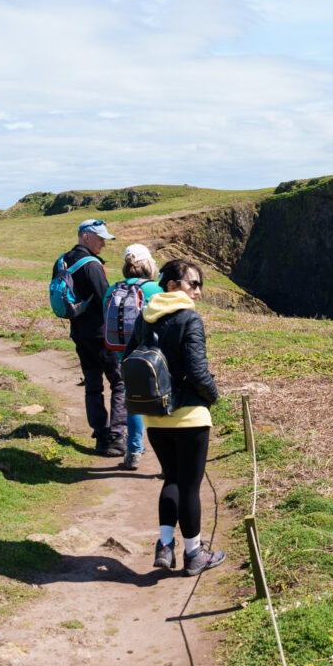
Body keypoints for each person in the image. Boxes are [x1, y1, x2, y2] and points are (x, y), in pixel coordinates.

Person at [125, 258, 223, 575]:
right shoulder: (189, 319)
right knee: (190, 487)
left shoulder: (144, 318)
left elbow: (128, 360)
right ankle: (194, 554)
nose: (197, 290)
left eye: (199, 285)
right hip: (190, 416)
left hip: (155, 416)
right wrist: (213, 396)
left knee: (171, 479)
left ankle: (166, 546)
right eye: (192, 283)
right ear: (171, 285)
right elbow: (197, 371)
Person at [63, 218, 127, 456]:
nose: (103, 243)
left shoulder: (63, 260)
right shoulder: (90, 265)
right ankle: (116, 436)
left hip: (79, 334)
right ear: (86, 237)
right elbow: (106, 300)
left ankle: (100, 436)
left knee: (93, 385)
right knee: (119, 382)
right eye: (100, 239)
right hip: (102, 335)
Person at [106, 244, 163, 471]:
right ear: (148, 264)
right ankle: (166, 462)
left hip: (124, 355)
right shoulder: (156, 289)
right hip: (155, 355)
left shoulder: (112, 290)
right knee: (162, 403)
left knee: (134, 401)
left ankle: (133, 452)